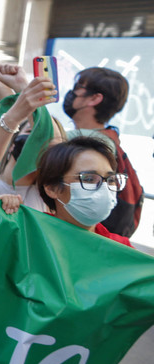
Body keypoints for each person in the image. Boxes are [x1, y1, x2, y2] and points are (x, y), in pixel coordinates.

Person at [22, 137, 132, 364]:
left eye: (109, 179)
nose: (104, 189)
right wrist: (1, 214)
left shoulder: (121, 252)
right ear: (53, 188)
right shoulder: (26, 234)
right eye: (89, 179)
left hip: (71, 361)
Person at [0, 61, 62, 211]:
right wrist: (12, 117)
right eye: (29, 132)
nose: (35, 140)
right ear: (11, 143)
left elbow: (53, 143)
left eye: (38, 134)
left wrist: (23, 87)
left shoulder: (51, 195)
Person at [61, 67, 144, 237]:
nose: (72, 92)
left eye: (78, 87)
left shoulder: (78, 142)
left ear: (94, 98)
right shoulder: (109, 138)